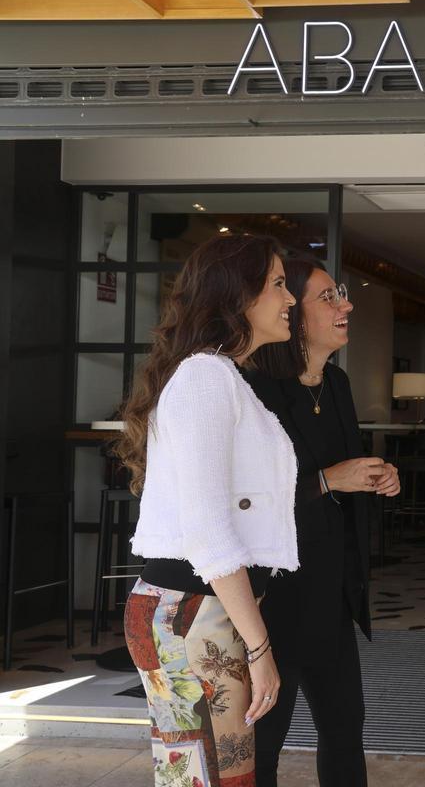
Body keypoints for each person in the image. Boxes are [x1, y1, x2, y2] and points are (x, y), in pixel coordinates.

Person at [117, 234, 299, 787]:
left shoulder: (219, 377)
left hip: (199, 610)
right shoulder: (204, 378)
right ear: (238, 296)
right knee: (211, 781)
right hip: (192, 612)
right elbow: (209, 531)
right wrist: (260, 645)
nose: (289, 299)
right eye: (278, 285)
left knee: (210, 778)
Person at [246, 258, 400, 786]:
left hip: (331, 591)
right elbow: (245, 498)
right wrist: (331, 479)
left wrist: (377, 476)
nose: (346, 305)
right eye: (329, 297)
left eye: (343, 294)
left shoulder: (336, 383)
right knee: (263, 742)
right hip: (274, 599)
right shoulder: (256, 387)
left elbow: (343, 473)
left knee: (344, 730)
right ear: (297, 317)